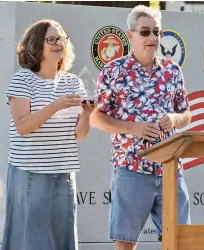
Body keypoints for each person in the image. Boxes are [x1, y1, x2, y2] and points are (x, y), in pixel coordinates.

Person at [90, 5, 191, 250]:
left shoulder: (172, 70)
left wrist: (174, 119)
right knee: (126, 245)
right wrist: (131, 128)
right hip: (131, 169)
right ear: (131, 35)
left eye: (156, 32)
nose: (152, 38)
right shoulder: (113, 71)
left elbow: (186, 114)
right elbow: (95, 118)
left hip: (169, 169)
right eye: (145, 32)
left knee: (182, 242)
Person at [2, 19, 94, 250]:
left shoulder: (73, 82)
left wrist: (86, 115)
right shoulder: (23, 79)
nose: (58, 44)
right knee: (30, 242)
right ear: (36, 45)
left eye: (61, 38)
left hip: (64, 174)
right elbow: (23, 126)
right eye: (51, 39)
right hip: (30, 174)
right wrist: (56, 105)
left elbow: (79, 135)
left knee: (62, 241)